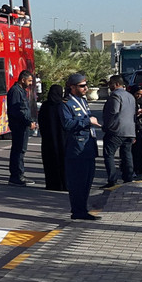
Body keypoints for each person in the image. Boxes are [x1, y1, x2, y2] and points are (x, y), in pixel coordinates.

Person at [60, 73, 101, 220]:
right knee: (78, 182)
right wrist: (87, 121)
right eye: (82, 86)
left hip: (88, 146)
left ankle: (83, 209)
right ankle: (78, 211)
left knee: (87, 181)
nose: (86, 88)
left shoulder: (82, 101)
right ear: (72, 87)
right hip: (77, 148)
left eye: (86, 85)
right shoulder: (66, 104)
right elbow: (68, 124)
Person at [100, 74, 136, 188]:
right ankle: (128, 177)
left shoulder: (115, 96)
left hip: (116, 130)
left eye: (110, 83)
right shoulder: (130, 96)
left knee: (109, 154)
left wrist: (107, 126)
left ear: (116, 84)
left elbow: (113, 112)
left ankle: (112, 180)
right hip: (129, 130)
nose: (109, 86)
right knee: (127, 154)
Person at [7, 70, 37, 185]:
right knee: (18, 150)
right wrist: (28, 122)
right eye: (29, 81)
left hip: (22, 125)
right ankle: (16, 176)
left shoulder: (21, 91)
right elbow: (17, 111)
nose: (30, 83)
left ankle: (18, 174)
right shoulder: (15, 91)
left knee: (20, 150)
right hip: (18, 125)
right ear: (23, 79)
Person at [38, 84, 67, 191]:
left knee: (50, 163)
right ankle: (64, 184)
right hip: (62, 140)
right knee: (63, 162)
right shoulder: (62, 106)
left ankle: (51, 184)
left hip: (48, 140)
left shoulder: (45, 106)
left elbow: (41, 121)